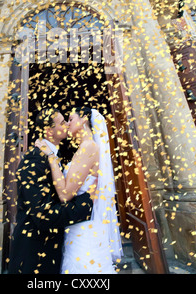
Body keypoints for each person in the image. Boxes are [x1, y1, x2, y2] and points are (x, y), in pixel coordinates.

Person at [7, 108, 96, 274]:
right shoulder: (34, 159)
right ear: (49, 131)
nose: (67, 125)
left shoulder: (54, 156)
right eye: (62, 122)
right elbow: (43, 214)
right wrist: (85, 205)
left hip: (51, 250)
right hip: (34, 255)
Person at [35, 107, 123, 274]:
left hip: (84, 229)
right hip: (80, 223)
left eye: (70, 119)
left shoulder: (88, 147)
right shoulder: (85, 147)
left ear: (83, 120)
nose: (68, 124)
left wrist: (51, 157)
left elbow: (66, 194)